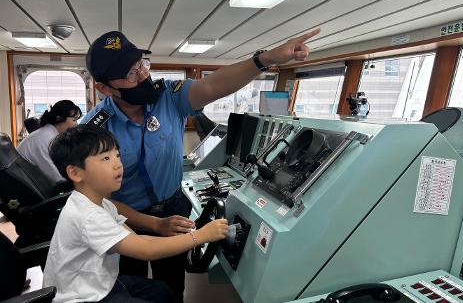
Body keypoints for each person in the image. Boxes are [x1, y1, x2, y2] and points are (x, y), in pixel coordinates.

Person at [82, 28, 319, 301]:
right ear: (104, 88)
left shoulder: (169, 97)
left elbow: (213, 85)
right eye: (130, 74)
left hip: (172, 208)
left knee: (171, 287)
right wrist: (154, 225)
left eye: (142, 65)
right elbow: (98, 200)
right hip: (123, 218)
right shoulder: (94, 130)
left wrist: (264, 60)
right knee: (128, 287)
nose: (144, 75)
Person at [43, 125, 228, 303]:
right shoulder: (88, 217)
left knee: (163, 291)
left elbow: (143, 241)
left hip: (98, 285)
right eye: (105, 158)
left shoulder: (102, 204)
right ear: (75, 173)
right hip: (82, 298)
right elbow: (146, 250)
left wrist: (175, 230)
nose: (118, 164)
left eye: (117, 155)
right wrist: (201, 236)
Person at [17, 100, 82, 183]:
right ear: (59, 119)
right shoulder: (45, 138)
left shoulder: (50, 134)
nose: (76, 124)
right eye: (74, 120)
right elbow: (56, 177)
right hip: (26, 186)